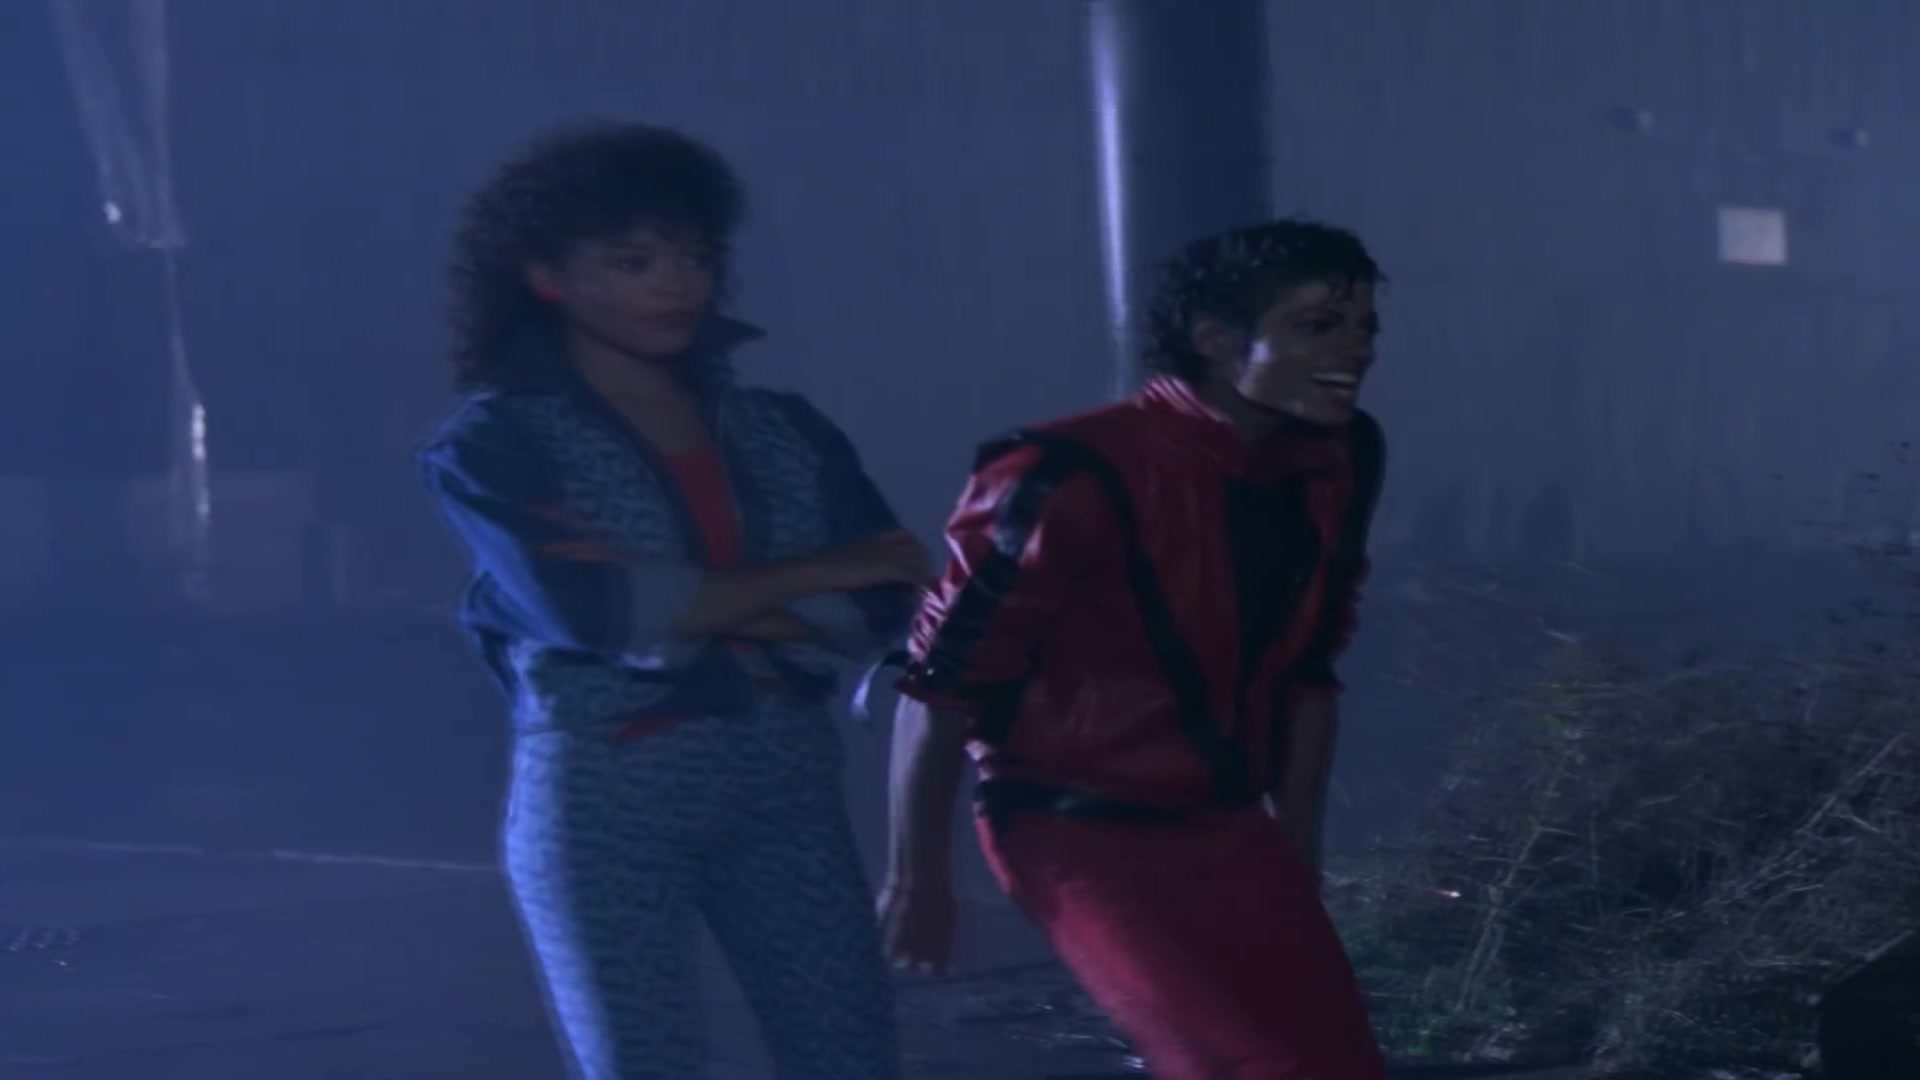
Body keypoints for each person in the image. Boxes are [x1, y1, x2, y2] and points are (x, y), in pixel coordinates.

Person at [418, 122, 920, 1080]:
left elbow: (886, 608)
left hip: (785, 774)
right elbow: (599, 615)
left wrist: (686, 603)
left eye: (694, 256)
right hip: (609, 783)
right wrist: (814, 574)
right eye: (634, 261)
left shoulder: (780, 428)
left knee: (849, 1055)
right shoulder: (497, 443)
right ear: (547, 276)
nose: (677, 284)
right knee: (642, 1062)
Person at [876, 220, 1392, 1079]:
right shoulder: (1066, 473)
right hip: (1076, 827)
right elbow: (942, 685)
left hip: (1225, 821)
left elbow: (1308, 672)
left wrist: (1294, 855)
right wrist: (916, 878)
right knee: (1240, 1062)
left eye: (1364, 327)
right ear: (1216, 339)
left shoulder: (1338, 457)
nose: (1357, 350)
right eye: (1318, 326)